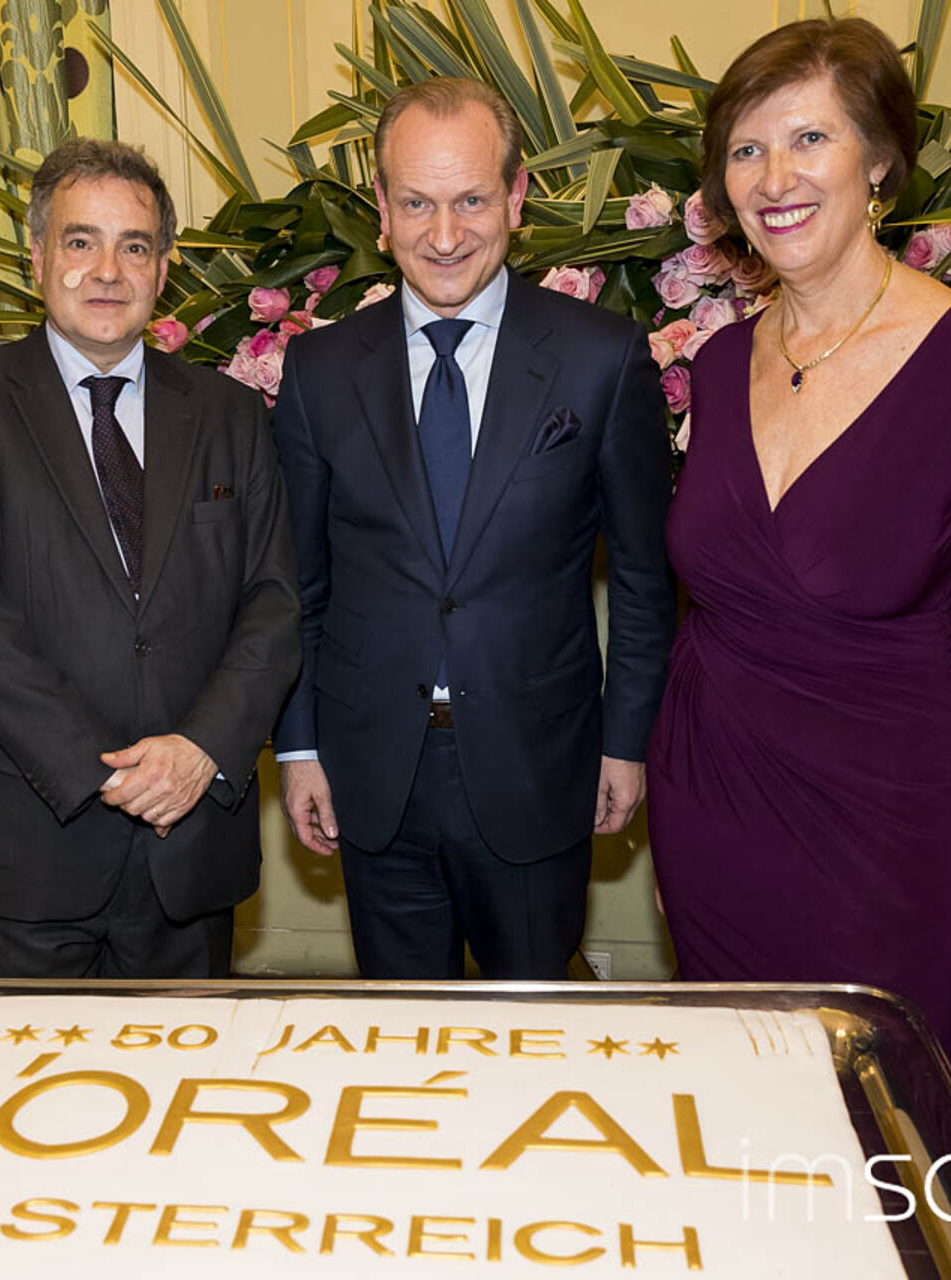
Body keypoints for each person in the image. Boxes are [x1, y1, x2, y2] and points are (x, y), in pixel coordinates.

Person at [646, 17, 951, 1071]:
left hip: (887, 849)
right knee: (729, 1122)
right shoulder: (721, 361)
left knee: (882, 1136)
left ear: (878, 160)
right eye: (746, 149)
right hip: (711, 821)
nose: (774, 177)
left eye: (809, 139)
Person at [272, 78, 673, 980]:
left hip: (540, 765)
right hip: (373, 770)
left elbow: (644, 581)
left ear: (516, 198)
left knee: (534, 1035)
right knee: (401, 1040)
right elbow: (299, 582)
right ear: (381, 210)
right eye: (416, 203)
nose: (445, 235)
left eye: (471, 201)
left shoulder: (601, 359)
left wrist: (626, 741)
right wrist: (298, 746)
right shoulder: (318, 370)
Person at [0, 139, 299, 979]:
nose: (108, 270)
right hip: (29, 838)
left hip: (191, 834)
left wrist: (199, 750)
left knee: (193, 1063)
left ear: (164, 269)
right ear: (39, 254)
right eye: (81, 241)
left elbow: (272, 603)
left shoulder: (230, 413)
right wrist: (106, 775)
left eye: (135, 246)